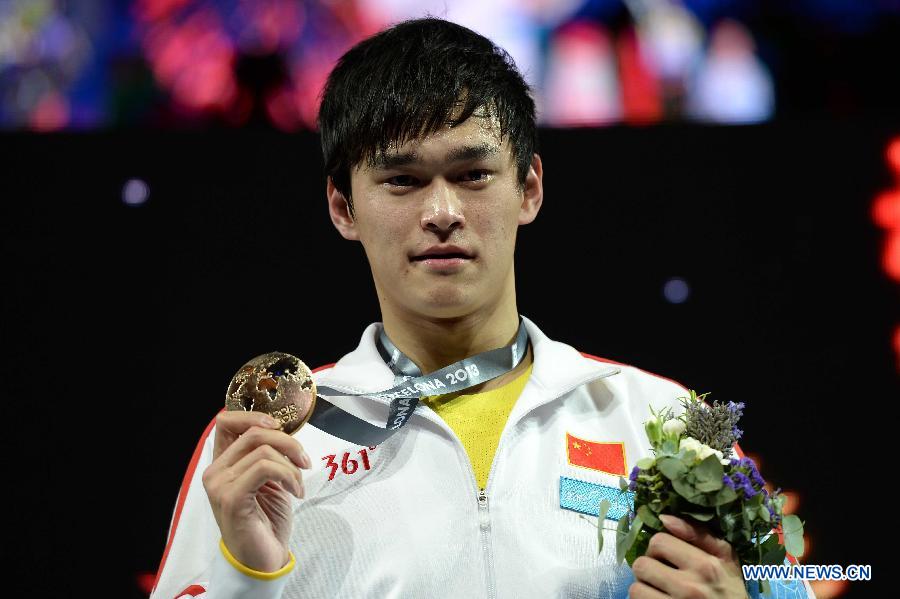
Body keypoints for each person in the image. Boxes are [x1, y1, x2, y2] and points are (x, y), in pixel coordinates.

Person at [150, 18, 811, 599]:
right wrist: (244, 578)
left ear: (529, 188)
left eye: (472, 175)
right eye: (402, 180)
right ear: (342, 206)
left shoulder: (663, 420)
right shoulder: (265, 444)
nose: (442, 213)